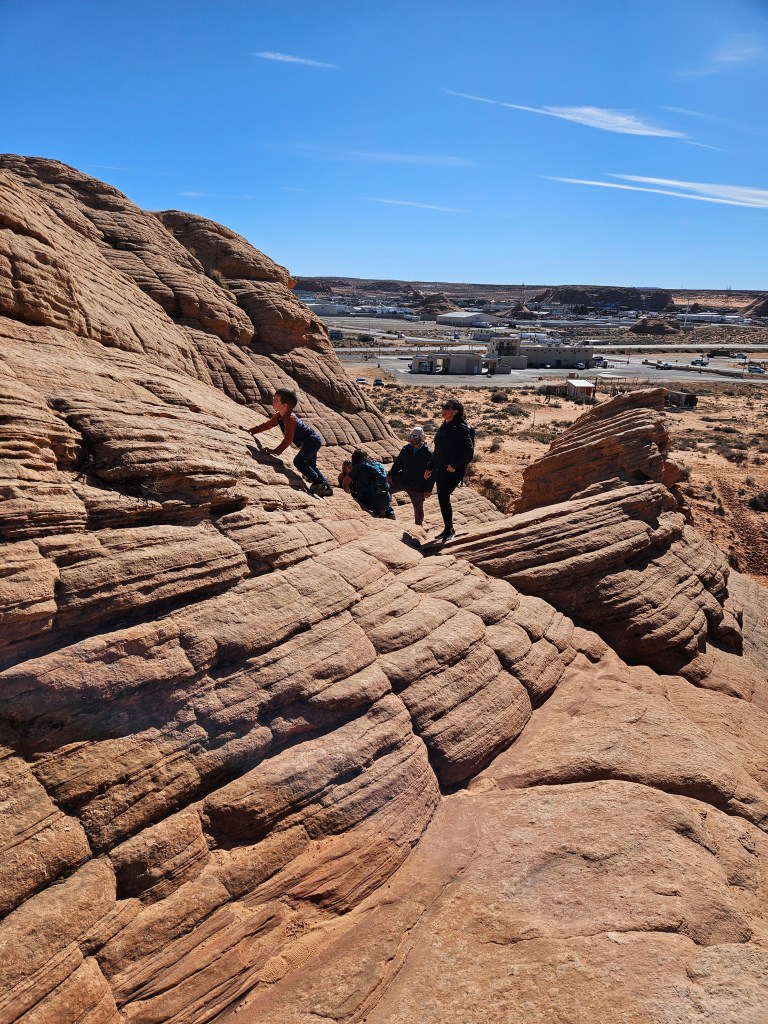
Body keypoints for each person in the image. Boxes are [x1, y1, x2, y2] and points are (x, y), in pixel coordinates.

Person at [246, 388, 333, 496]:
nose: (273, 401)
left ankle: (318, 482)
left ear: (284, 405)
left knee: (298, 462)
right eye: (274, 398)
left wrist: (276, 451)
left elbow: (288, 439)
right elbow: (267, 425)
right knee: (311, 465)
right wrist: (251, 431)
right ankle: (327, 488)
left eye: (276, 399)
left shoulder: (290, 419)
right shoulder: (279, 416)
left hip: (312, 441)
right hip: (311, 440)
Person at [425, 397, 474, 542]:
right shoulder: (443, 426)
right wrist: (430, 467)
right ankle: (448, 529)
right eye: (443, 407)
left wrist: (454, 465)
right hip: (441, 469)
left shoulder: (461, 428)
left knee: (444, 496)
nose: (443, 409)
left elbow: (469, 452)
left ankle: (449, 529)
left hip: (453, 470)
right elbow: (437, 451)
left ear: (455, 412)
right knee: (442, 498)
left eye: (447, 408)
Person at [388, 426, 434, 527]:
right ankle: (387, 511)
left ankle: (418, 527)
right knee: (385, 488)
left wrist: (429, 489)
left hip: (417, 485)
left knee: (418, 509)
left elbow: (433, 473)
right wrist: (390, 474)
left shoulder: (428, 453)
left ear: (421, 438)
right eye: (411, 436)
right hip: (403, 480)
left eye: (415, 436)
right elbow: (398, 463)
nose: (412, 438)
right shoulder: (406, 449)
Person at [349, 449, 396, 519]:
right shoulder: (377, 464)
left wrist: (348, 497)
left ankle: (378, 511)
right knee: (385, 494)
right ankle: (390, 512)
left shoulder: (358, 467)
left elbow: (345, 483)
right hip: (385, 499)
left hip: (370, 501)